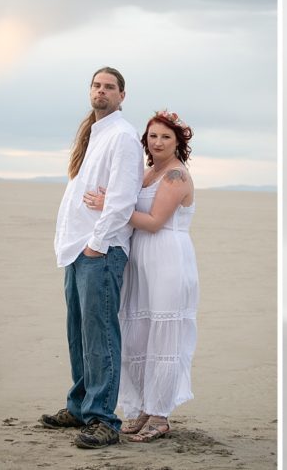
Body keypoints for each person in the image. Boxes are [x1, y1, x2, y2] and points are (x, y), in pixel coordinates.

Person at [40, 66, 143, 449]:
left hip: (100, 250)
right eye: (97, 85)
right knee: (78, 334)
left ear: (121, 95)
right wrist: (74, 245)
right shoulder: (94, 134)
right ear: (90, 91)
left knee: (100, 336)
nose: (102, 91)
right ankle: (81, 406)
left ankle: (104, 419)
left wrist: (97, 243)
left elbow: (121, 199)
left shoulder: (122, 136)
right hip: (77, 249)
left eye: (110, 87)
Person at [84, 110, 200, 443]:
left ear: (178, 141)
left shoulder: (176, 176)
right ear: (145, 141)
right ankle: (142, 410)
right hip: (140, 259)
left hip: (167, 257)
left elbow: (153, 222)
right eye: (152, 136)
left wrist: (111, 206)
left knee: (164, 336)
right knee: (137, 334)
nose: (158, 142)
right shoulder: (148, 173)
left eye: (166, 136)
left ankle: (160, 415)